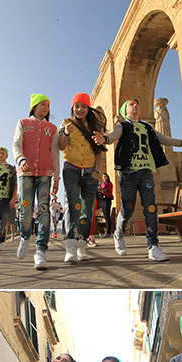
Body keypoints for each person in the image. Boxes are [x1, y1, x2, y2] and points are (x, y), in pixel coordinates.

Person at [93, 98, 182, 262]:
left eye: (137, 103)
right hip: (128, 173)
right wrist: (104, 139)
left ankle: (153, 246)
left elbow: (163, 139)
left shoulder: (147, 127)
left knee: (151, 207)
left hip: (146, 172)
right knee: (127, 208)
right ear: (125, 111)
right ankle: (119, 233)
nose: (135, 105)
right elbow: (113, 136)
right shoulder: (122, 125)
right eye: (131, 104)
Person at [12, 94, 59, 270]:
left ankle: (41, 250)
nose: (46, 108)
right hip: (26, 172)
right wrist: (21, 159)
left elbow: (55, 153)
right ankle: (25, 237)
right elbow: (16, 145)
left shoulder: (52, 128)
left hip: (46, 172)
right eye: (43, 104)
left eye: (48, 105)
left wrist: (56, 178)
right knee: (25, 207)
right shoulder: (23, 123)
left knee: (44, 208)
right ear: (34, 106)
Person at [58, 94, 106, 262]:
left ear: (88, 108)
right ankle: (70, 245)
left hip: (90, 171)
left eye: (83, 106)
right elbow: (60, 146)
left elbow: (99, 150)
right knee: (73, 205)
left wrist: (96, 172)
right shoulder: (66, 123)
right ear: (72, 108)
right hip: (71, 169)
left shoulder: (95, 126)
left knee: (87, 208)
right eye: (76, 106)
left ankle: (82, 244)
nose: (80, 110)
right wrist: (65, 132)